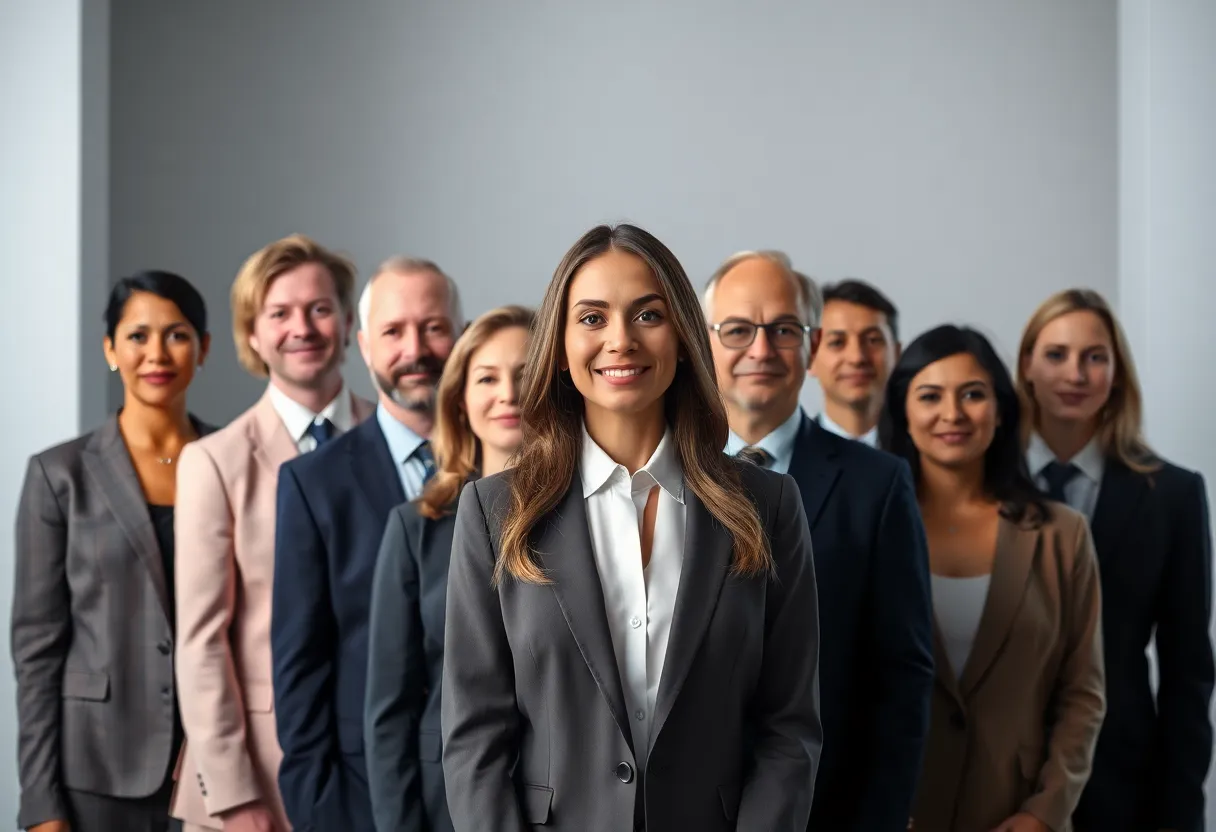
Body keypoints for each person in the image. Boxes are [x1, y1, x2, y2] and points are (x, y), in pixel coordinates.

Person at [441, 224, 822, 832]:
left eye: (648, 314)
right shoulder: (493, 512)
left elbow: (789, 727)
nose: (620, 340)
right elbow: (474, 741)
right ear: (560, 345)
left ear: (684, 336)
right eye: (591, 318)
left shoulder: (769, 505)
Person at [703, 250, 932, 831]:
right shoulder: (660, 476)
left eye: (783, 330)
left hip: (831, 806)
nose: (760, 350)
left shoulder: (877, 485)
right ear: (703, 342)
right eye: (737, 330)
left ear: (813, 345)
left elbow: (902, 675)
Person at [172, 234, 374, 832]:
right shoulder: (214, 461)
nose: (302, 328)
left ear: (344, 322)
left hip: (377, 767)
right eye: (278, 314)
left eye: (318, 309)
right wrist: (234, 796)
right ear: (253, 335)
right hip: (257, 777)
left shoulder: (404, 442)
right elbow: (202, 640)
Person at [880, 325, 1106, 832]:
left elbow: (1083, 693)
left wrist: (1045, 811)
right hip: (897, 809)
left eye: (974, 394)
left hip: (1017, 812)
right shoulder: (871, 528)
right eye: (930, 396)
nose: (953, 414)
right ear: (903, 413)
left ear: (1001, 411)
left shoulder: (1062, 535)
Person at [13, 271, 212, 832]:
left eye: (176, 334)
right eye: (137, 336)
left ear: (204, 348)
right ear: (110, 349)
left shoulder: (232, 462)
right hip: (96, 769)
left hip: (213, 765)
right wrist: (40, 803)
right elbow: (36, 651)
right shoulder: (60, 475)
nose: (156, 353)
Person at [271, 257, 462, 831]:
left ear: (461, 333)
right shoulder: (314, 484)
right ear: (363, 344)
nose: (415, 349)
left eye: (433, 327)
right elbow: (299, 665)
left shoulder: (511, 474)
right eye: (393, 331)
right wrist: (317, 808)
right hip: (358, 799)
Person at [1017, 289, 1214, 832]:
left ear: (1117, 373)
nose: (1075, 373)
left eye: (1095, 356)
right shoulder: (979, 481)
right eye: (1056, 354)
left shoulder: (1172, 494)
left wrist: (1182, 811)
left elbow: (1189, 670)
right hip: (992, 769)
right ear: (1027, 366)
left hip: (1121, 775)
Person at [365, 304, 532, 832]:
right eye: (487, 377)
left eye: (526, 375)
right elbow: (389, 711)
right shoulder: (415, 528)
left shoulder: (591, 518)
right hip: (444, 805)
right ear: (460, 398)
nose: (509, 393)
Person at [809, 278, 900, 446]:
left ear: (896, 353)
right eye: (837, 342)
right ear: (810, 357)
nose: (857, 357)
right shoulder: (787, 459)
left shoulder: (927, 454)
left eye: (872, 340)